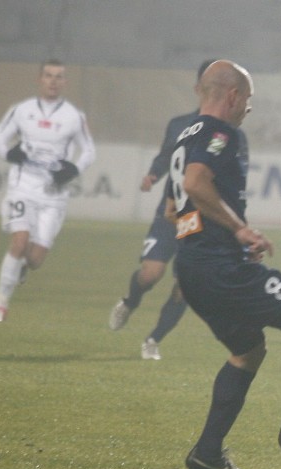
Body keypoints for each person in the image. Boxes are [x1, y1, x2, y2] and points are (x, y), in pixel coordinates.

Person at [167, 60, 281, 469]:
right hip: (219, 268)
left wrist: (200, 248)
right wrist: (240, 230)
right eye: (247, 99)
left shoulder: (184, 137)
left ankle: (207, 453)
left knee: (247, 351)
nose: (247, 108)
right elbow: (195, 185)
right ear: (232, 96)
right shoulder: (220, 132)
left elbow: (173, 207)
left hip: (195, 266)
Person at [108, 60, 248, 361]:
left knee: (186, 285)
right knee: (151, 273)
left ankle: (153, 339)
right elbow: (167, 158)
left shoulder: (230, 134)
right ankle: (131, 301)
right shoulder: (181, 125)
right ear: (201, 88)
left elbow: (233, 178)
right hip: (174, 213)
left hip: (199, 219)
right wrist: (153, 175)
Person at [0, 59, 96, 322]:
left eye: (59, 77)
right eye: (49, 76)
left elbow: (89, 150)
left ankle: (23, 266)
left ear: (65, 82)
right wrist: (10, 153)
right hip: (22, 187)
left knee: (35, 259)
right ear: (40, 79)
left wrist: (73, 169)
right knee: (19, 241)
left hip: (53, 195)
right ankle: (0, 306)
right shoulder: (22, 110)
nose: (53, 81)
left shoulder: (73, 116)